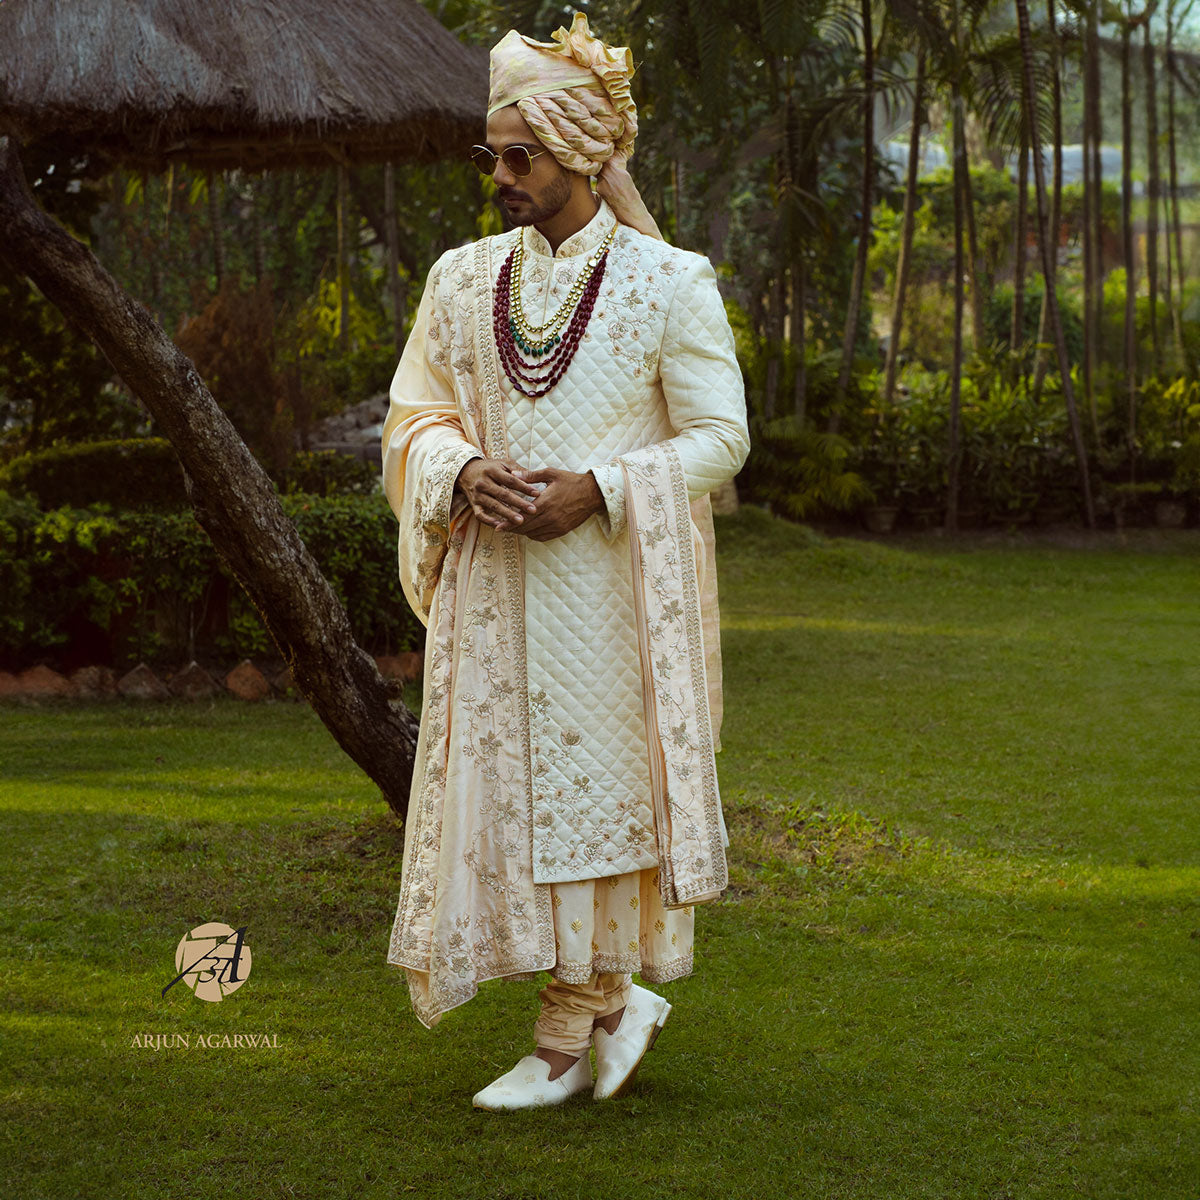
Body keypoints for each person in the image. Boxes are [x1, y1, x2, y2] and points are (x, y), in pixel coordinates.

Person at [381, 12, 749, 1111]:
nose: (499, 175)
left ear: (584, 154)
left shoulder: (668, 282)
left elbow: (722, 437)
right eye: (492, 154)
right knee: (512, 799)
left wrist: (602, 487)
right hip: (495, 595)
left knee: (594, 802)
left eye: (519, 156)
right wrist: (457, 471)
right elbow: (416, 414)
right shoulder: (458, 280)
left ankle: (567, 1030)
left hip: (609, 596)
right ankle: (600, 1006)